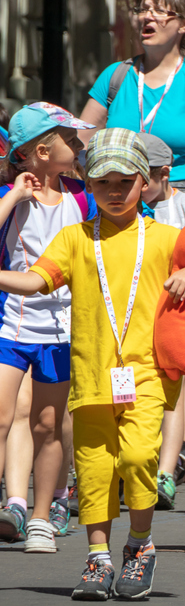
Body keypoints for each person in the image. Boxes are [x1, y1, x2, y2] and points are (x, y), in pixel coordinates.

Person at [0, 129, 185, 599]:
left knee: (136, 458)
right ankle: (97, 559)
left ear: (145, 182)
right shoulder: (74, 238)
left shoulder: (167, 239)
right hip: (91, 377)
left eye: (124, 181)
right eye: (102, 182)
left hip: (148, 374)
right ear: (88, 185)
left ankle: (139, 546)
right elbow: (35, 282)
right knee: (93, 469)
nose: (113, 191)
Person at [0, 104, 95, 552]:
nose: (79, 146)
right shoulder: (11, 194)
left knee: (48, 424)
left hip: (63, 332)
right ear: (41, 150)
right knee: (2, 417)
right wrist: (15, 195)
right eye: (71, 141)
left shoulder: (83, 197)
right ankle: (13, 504)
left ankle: (41, 517)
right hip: (12, 329)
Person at [80, 0, 185, 197]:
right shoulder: (114, 76)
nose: (148, 16)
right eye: (143, 10)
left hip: (183, 203)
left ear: (184, 24)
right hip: (119, 201)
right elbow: (82, 145)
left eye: (159, 10)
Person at [139, 134, 185, 513]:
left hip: (175, 315)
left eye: (143, 176)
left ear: (165, 174)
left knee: (171, 396)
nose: (135, 185)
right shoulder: (126, 207)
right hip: (138, 314)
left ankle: (166, 472)